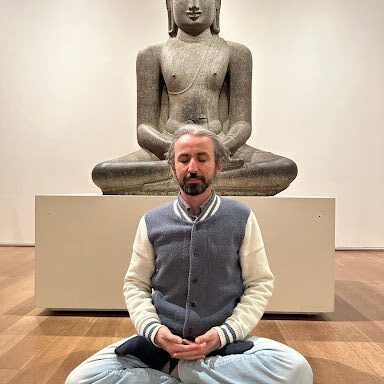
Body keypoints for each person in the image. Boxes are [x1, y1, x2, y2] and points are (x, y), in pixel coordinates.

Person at [66, 125, 313, 384]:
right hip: (161, 346)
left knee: (296, 369)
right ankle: (196, 375)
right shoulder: (152, 221)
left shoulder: (241, 218)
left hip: (222, 344)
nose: (192, 167)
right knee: (80, 379)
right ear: (173, 168)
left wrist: (224, 334)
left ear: (218, 166)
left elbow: (259, 283)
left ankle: (182, 373)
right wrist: (156, 332)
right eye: (184, 159)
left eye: (202, 158)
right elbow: (136, 284)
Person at [92, 0, 298, 196]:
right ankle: (204, 176)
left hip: (223, 146)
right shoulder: (152, 54)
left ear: (217, 4)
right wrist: (175, 149)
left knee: (283, 168)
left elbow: (242, 123)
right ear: (169, 4)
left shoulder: (236, 53)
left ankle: (180, 178)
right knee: (104, 173)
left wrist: (220, 148)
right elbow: (144, 129)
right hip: (167, 148)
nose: (193, 5)